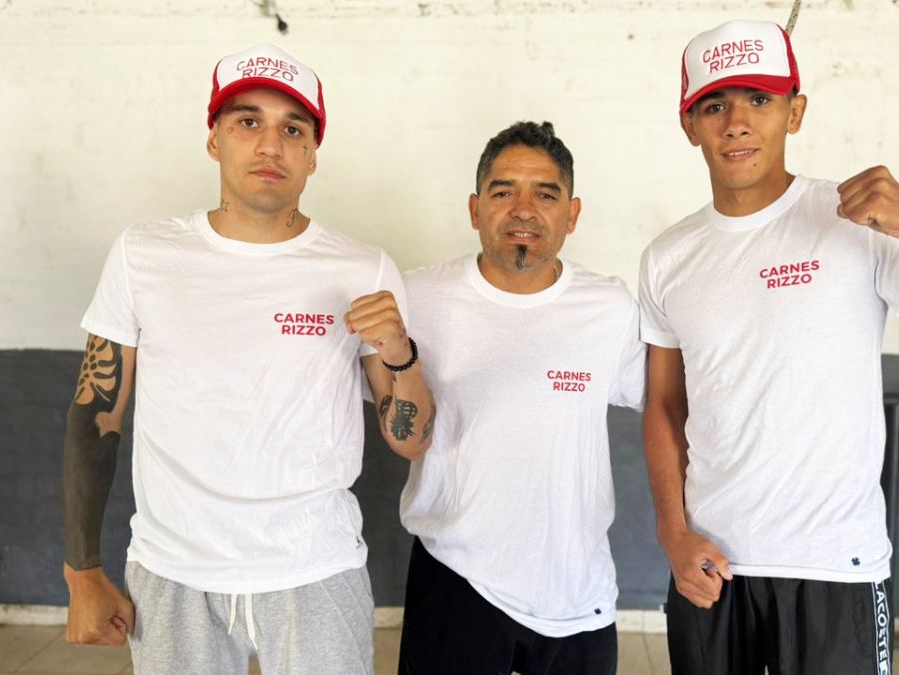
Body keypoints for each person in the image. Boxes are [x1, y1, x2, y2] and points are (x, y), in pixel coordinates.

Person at [639, 20, 899, 675]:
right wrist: (672, 533)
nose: (736, 121)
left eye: (758, 100)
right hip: (713, 566)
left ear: (795, 112)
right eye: (715, 104)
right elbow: (662, 404)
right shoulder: (668, 257)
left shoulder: (857, 226)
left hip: (836, 568)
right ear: (690, 125)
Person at [60, 43, 434, 675]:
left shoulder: (361, 267)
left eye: (293, 129)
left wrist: (401, 355)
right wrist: (82, 572)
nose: (270, 146)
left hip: (316, 567)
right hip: (175, 570)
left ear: (313, 155)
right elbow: (94, 416)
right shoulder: (143, 254)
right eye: (247, 122)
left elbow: (411, 442)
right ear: (214, 140)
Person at [395, 121, 646, 675]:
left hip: (577, 592)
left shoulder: (609, 309)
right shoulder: (416, 297)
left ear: (572, 214)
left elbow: (671, 407)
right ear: (474, 208)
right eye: (504, 191)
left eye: (546, 193)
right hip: (455, 576)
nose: (524, 209)